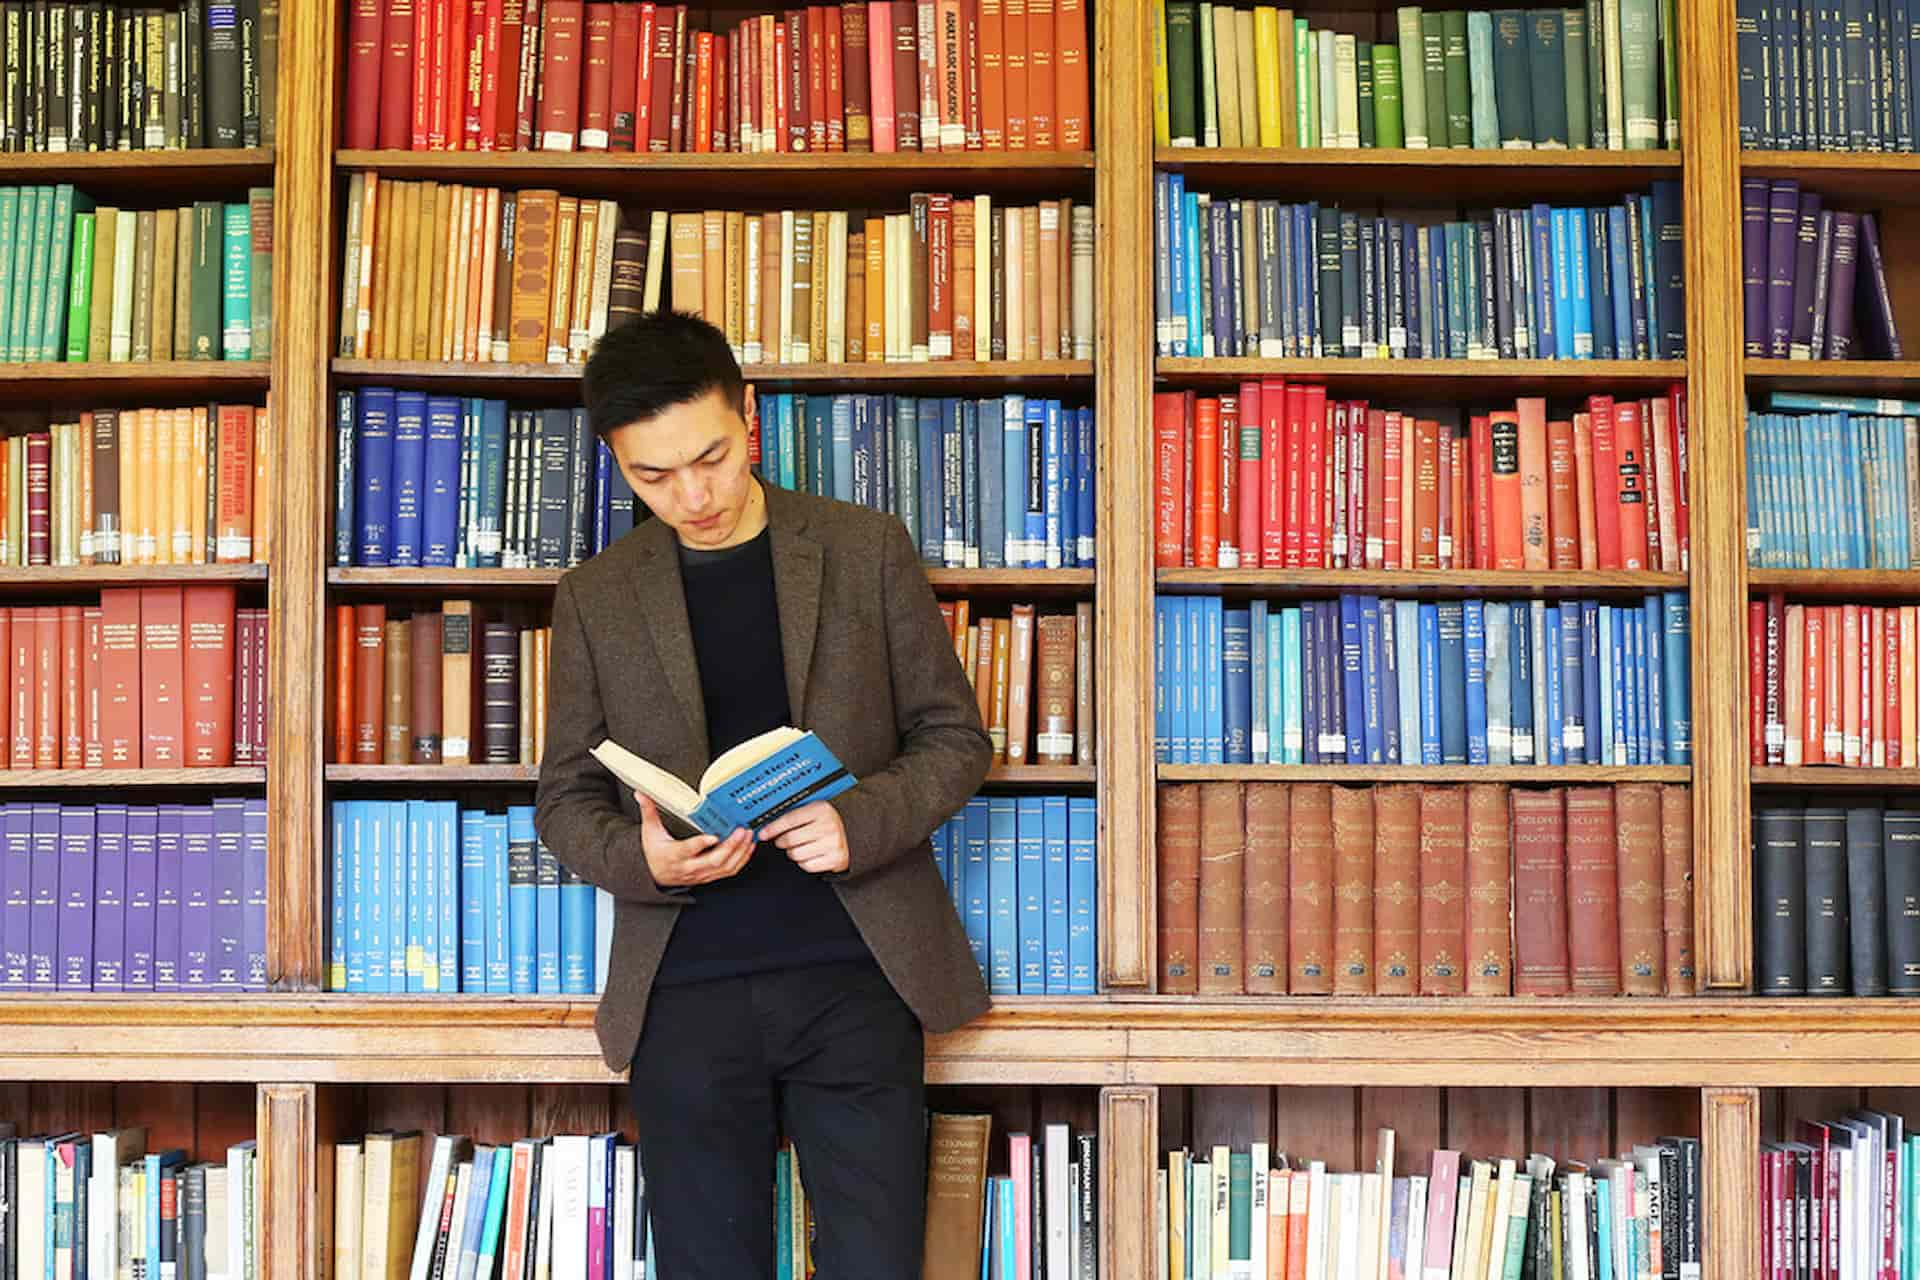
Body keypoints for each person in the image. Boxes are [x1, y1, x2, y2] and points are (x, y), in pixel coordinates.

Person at [534, 310, 992, 1279]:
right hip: (684, 987)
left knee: (878, 1262)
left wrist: (858, 820)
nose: (693, 494)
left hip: (857, 974)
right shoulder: (596, 594)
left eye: (712, 455)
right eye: (653, 475)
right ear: (614, 458)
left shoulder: (863, 549)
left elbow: (956, 738)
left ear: (750, 414)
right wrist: (643, 858)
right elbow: (567, 798)